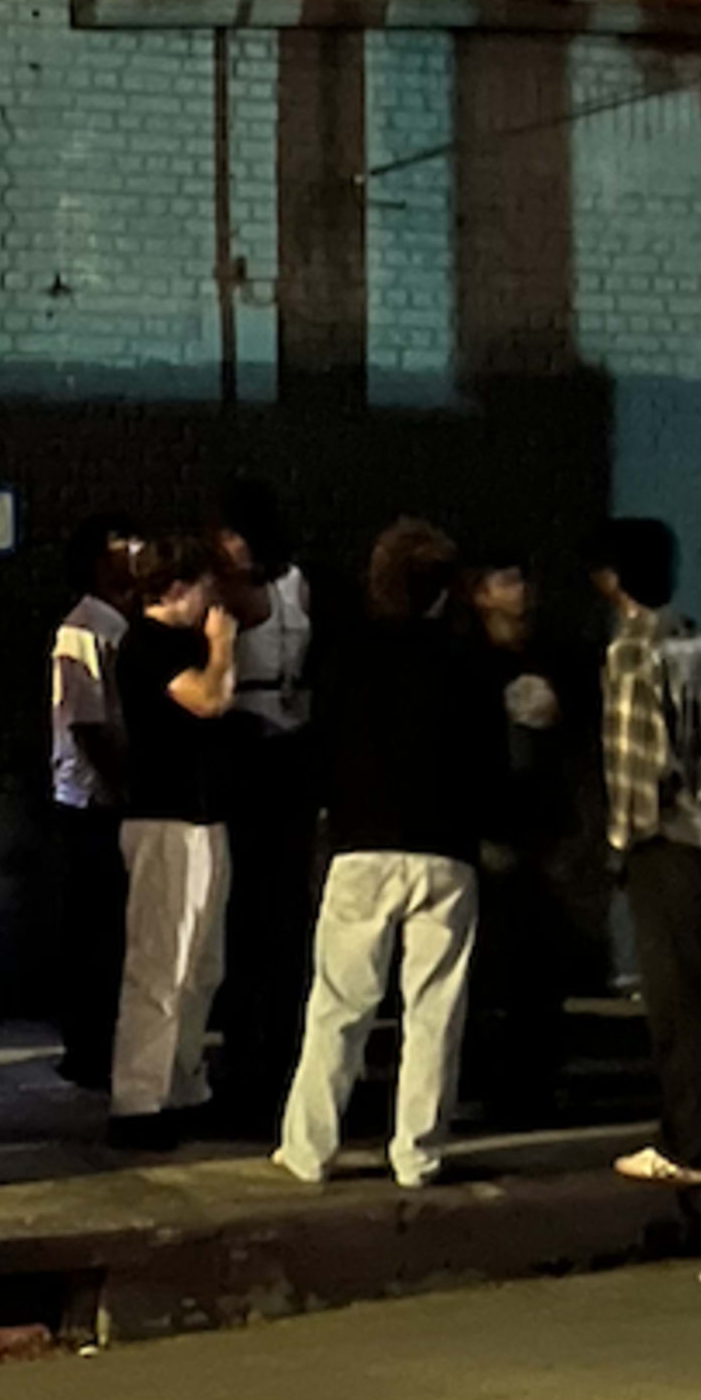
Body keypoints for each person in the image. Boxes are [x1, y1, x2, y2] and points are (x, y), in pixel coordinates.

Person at [277, 520, 508, 1190]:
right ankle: (418, 1152)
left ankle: (309, 1147)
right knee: (434, 1010)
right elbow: (489, 766)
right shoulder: (469, 662)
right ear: (443, 592)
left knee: (339, 1007)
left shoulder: (345, 654)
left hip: (360, 846)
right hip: (445, 852)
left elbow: (318, 750)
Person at [594, 516, 701, 1184]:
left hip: (665, 841)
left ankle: (692, 1144)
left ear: (613, 578)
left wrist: (619, 844)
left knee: (674, 1001)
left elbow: (641, 765)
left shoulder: (632, 651)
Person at [106, 537, 239, 1141]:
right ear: (180, 588)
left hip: (202, 815)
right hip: (164, 818)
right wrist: (221, 649)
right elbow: (208, 700)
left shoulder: (175, 644)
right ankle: (138, 1100)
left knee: (200, 964)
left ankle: (182, 1085)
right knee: (160, 962)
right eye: (206, 586)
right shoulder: (147, 645)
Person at [462, 551, 590, 1126]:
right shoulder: (471, 663)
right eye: (506, 579)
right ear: (481, 592)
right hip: (495, 831)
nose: (521, 591)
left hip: (546, 825)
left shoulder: (553, 655)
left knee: (543, 964)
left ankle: (540, 1082)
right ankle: (494, 1086)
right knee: (494, 964)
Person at [209, 488, 317, 1126]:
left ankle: (262, 1043)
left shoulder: (268, 588)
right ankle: (262, 1042)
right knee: (267, 904)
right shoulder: (272, 589)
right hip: (267, 735)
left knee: (265, 902)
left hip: (266, 736)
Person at [46, 525, 136, 1092]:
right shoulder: (83, 628)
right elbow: (87, 722)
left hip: (102, 794)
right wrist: (124, 783)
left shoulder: (117, 624)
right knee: (94, 929)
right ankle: (87, 1046)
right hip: (92, 799)